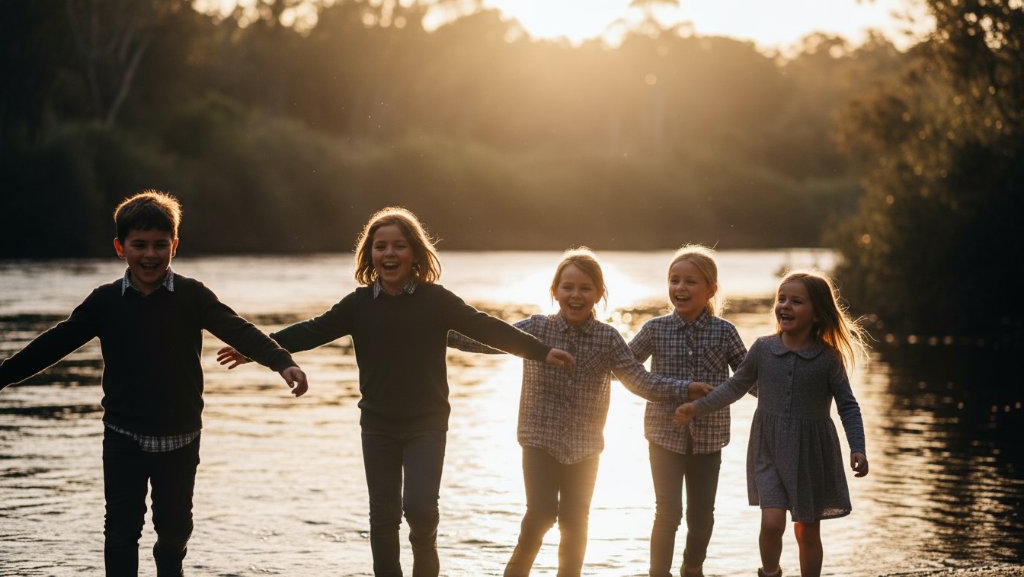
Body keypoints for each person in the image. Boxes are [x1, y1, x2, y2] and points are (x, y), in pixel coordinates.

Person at [217, 206, 575, 577]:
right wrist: (256, 349)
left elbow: (485, 327)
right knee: (384, 516)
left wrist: (540, 351)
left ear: (415, 253)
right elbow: (310, 330)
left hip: (427, 423)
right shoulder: (358, 305)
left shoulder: (435, 300)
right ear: (370, 254)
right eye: (381, 246)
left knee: (420, 510)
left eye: (399, 246)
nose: (389, 254)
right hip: (378, 425)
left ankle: (425, 555)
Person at [0, 190, 308, 577]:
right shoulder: (105, 301)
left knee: (175, 528)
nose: (150, 255)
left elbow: (238, 329)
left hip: (180, 437)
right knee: (121, 530)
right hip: (122, 434)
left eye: (160, 245)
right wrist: (3, 377)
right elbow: (54, 344)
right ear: (120, 248)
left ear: (174, 247)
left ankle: (169, 563)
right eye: (139, 245)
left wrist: (282, 362)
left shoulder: (192, 296)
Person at [448, 247, 712, 577]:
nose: (575, 295)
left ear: (599, 294)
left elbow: (640, 381)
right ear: (554, 291)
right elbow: (487, 340)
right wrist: (435, 331)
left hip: (586, 449)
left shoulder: (608, 338)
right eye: (568, 287)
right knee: (541, 513)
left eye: (585, 288)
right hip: (538, 440)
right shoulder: (537, 328)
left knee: (575, 524)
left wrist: (683, 388)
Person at [673, 270, 870, 577]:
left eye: (796, 301)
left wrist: (857, 447)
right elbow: (734, 386)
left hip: (810, 453)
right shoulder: (763, 349)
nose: (785, 306)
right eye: (781, 299)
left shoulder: (828, 358)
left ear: (817, 314)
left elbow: (848, 405)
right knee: (772, 521)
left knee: (807, 530)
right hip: (769, 450)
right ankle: (770, 572)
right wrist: (697, 408)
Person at [628, 245, 748, 577]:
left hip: (709, 439)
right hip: (663, 435)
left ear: (710, 289)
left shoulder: (725, 332)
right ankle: (658, 573)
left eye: (690, 282)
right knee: (667, 512)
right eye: (674, 280)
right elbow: (625, 369)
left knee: (701, 514)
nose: (680, 288)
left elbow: (747, 380)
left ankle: (692, 567)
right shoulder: (655, 329)